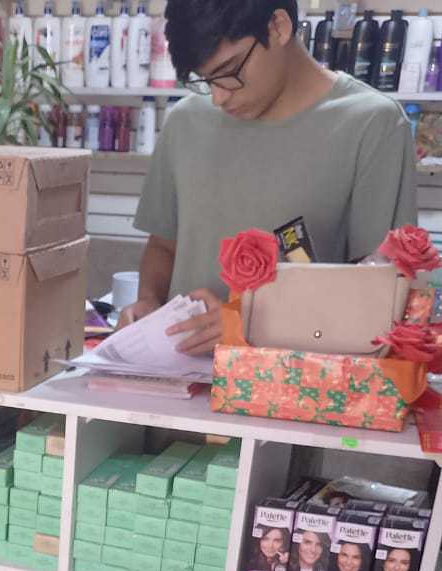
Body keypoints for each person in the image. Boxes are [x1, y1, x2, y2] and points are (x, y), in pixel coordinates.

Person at [120, 0, 417, 355]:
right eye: (204, 80)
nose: (218, 97)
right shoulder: (185, 121)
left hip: (294, 378)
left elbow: (380, 292)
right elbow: (163, 246)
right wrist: (148, 302)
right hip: (176, 375)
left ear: (278, 27)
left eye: (229, 70)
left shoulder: (372, 125)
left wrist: (252, 323)